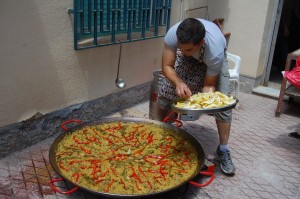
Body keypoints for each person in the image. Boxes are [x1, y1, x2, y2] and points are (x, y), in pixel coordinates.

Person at [158, 18, 235, 175]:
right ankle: (162, 134)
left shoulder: (215, 53)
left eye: (187, 50)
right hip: (194, 51)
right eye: (180, 48)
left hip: (213, 59)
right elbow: (166, 66)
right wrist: (178, 82)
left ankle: (223, 149)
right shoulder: (174, 35)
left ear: (201, 43)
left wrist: (203, 102)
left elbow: (209, 85)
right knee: (166, 92)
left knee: (222, 105)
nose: (182, 52)